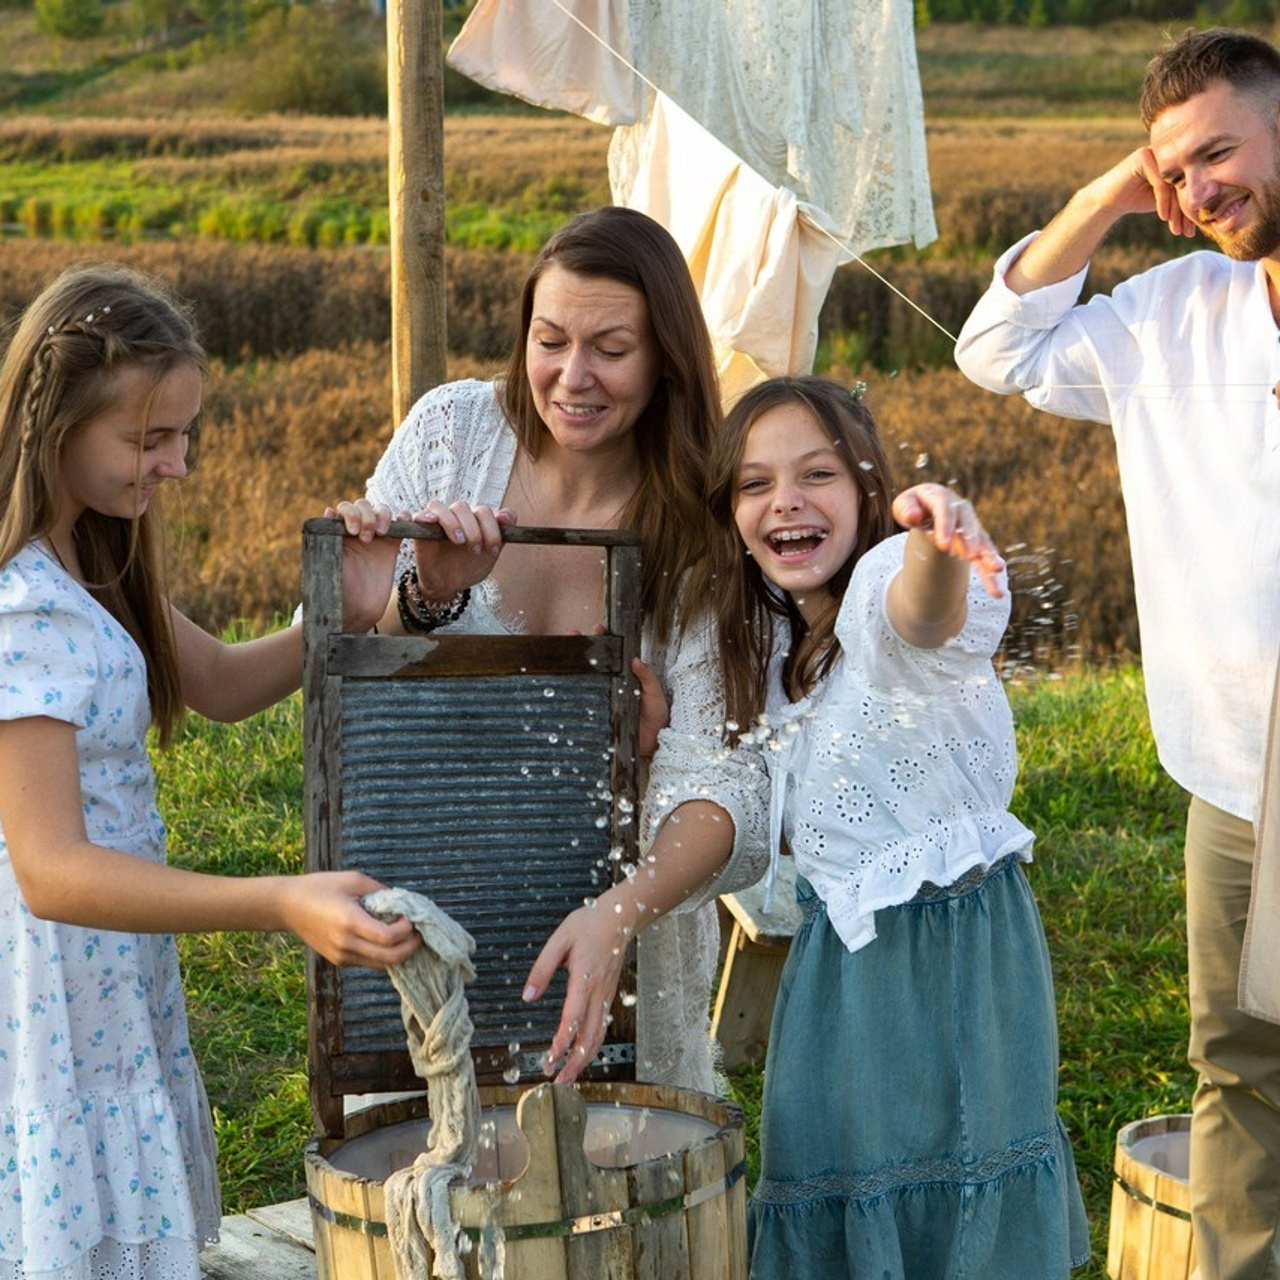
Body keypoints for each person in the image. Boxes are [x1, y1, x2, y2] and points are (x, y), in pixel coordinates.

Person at [0, 264, 420, 1280]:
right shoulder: (23, 607)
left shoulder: (94, 564)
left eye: (185, 434)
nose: (177, 465)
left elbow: (226, 683)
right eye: (149, 440)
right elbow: (50, 867)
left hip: (108, 966)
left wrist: (348, 606)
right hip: (53, 976)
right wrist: (279, 898)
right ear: (54, 427)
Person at [953, 26, 1280, 1278]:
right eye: (1171, 172)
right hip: (1231, 769)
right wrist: (1105, 193)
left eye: (1216, 151)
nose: (1196, 191)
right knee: (1237, 1058)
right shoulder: (1163, 316)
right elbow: (996, 349)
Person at [334, 205, 770, 1093]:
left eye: (611, 349)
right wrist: (425, 596)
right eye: (550, 340)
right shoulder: (452, 433)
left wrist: (625, 874)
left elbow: (731, 783)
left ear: (666, 358)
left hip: (615, 914)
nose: (574, 376)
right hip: (429, 890)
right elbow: (359, 684)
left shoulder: (702, 522)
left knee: (604, 1195)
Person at [699, 375, 1089, 1277]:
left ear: (868, 492)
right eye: (754, 485)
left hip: (951, 954)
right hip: (841, 958)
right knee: (837, 1164)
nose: (785, 501)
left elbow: (920, 615)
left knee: (952, 1170)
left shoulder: (882, 581)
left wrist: (936, 543)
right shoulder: (774, 646)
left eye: (816, 475)